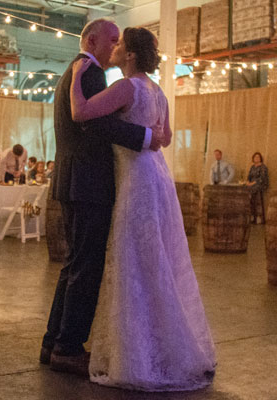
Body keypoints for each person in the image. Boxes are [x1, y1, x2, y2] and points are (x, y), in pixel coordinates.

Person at [63, 25, 216, 391]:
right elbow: (164, 137)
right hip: (157, 177)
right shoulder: (157, 90)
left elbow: (81, 112)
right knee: (156, 259)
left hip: (135, 182)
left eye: (120, 45)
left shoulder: (126, 87)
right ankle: (164, 344)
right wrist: (150, 139)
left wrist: (75, 78)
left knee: (134, 261)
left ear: (130, 55)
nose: (114, 48)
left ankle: (138, 354)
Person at [247, 152, 269, 224]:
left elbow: (262, 178)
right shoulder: (252, 167)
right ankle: (251, 215)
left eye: (258, 157)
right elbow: (249, 176)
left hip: (261, 184)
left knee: (253, 189)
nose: (256, 158)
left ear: (260, 158)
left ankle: (258, 218)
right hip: (252, 184)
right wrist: (248, 182)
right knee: (245, 188)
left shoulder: (263, 167)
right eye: (255, 157)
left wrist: (252, 183)